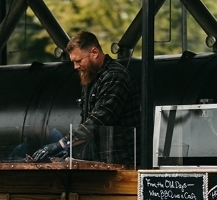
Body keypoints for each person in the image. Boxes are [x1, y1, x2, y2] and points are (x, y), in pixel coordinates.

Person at [31, 31, 141, 165]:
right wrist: (70, 151)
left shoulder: (115, 76)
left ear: (94, 52)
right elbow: (86, 122)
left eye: (78, 60)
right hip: (101, 162)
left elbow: (98, 120)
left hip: (122, 162)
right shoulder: (91, 77)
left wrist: (61, 144)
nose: (75, 66)